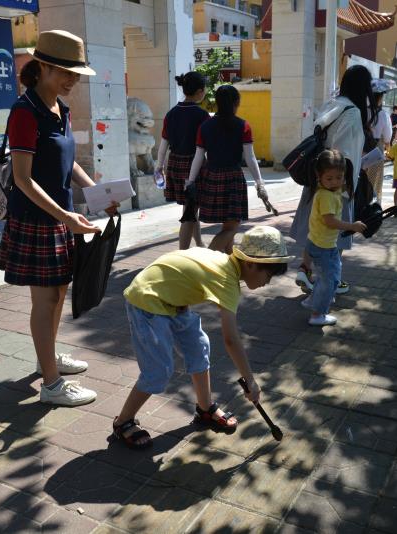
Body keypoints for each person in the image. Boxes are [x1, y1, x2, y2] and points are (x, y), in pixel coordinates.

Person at [0, 30, 115, 407]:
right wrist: (67, 215)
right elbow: (22, 178)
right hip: (36, 219)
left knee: (60, 291)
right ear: (43, 67)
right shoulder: (25, 111)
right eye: (65, 72)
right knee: (45, 300)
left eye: (76, 73)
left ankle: (46, 358)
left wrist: (98, 195)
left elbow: (69, 164)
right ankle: (51, 384)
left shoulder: (60, 109)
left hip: (60, 218)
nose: (72, 80)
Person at [110, 226, 292, 449]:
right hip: (147, 300)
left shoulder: (226, 264)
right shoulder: (227, 280)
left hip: (173, 300)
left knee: (199, 347)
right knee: (159, 370)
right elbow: (231, 340)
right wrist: (250, 381)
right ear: (251, 263)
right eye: (268, 275)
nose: (267, 282)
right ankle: (123, 421)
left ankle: (205, 408)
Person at [289, 65, 376, 294]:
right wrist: (345, 185)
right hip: (337, 185)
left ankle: (305, 269)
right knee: (335, 237)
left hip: (317, 179)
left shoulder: (332, 105)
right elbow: (345, 155)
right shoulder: (353, 112)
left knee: (314, 231)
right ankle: (331, 281)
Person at [186, 85, 268, 254]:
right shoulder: (243, 126)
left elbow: (198, 156)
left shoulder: (205, 126)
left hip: (211, 178)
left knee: (228, 227)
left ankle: (229, 261)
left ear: (217, 102)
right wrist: (259, 183)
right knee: (231, 228)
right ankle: (207, 258)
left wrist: (191, 181)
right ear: (236, 103)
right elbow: (250, 158)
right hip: (233, 179)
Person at [301, 150, 367, 327]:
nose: (335, 182)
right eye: (329, 178)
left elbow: (342, 189)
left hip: (319, 242)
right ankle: (317, 314)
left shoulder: (330, 190)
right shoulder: (326, 196)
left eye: (339, 177)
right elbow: (330, 221)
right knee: (331, 281)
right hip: (323, 246)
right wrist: (352, 226)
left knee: (326, 276)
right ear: (319, 176)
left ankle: (312, 301)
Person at [156, 72, 209, 249]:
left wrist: (159, 166)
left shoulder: (171, 114)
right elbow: (206, 147)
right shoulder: (202, 115)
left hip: (174, 164)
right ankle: (183, 252)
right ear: (200, 91)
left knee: (191, 208)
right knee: (190, 211)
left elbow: (164, 143)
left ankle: (199, 243)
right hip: (194, 166)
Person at [366, 80, 393, 204]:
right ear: (380, 98)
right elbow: (387, 137)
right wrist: (388, 149)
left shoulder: (361, 111)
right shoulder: (383, 114)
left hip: (361, 148)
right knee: (375, 180)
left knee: (361, 176)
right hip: (376, 149)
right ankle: (374, 204)